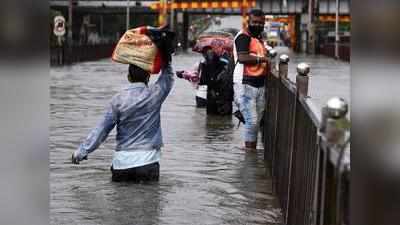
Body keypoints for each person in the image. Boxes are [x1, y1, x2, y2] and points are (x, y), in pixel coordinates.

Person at [71, 55, 174, 182]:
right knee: (149, 200)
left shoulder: (118, 100)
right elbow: (168, 78)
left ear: (128, 77)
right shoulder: (155, 94)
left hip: (122, 165)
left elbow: (102, 130)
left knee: (120, 200)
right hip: (147, 162)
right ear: (148, 76)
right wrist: (166, 57)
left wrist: (81, 151)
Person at [233, 9, 270, 150]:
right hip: (245, 83)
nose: (258, 25)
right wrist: (263, 59)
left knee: (256, 120)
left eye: (261, 22)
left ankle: (251, 148)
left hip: (259, 84)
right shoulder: (243, 37)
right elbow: (243, 58)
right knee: (252, 121)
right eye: (255, 22)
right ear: (248, 21)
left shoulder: (258, 39)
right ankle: (249, 153)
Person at [177, 46, 234, 115]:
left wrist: (183, 74)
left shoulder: (202, 64)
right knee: (217, 120)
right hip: (213, 96)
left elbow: (195, 77)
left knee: (208, 120)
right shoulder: (226, 63)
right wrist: (183, 74)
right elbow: (195, 76)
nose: (210, 54)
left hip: (212, 96)